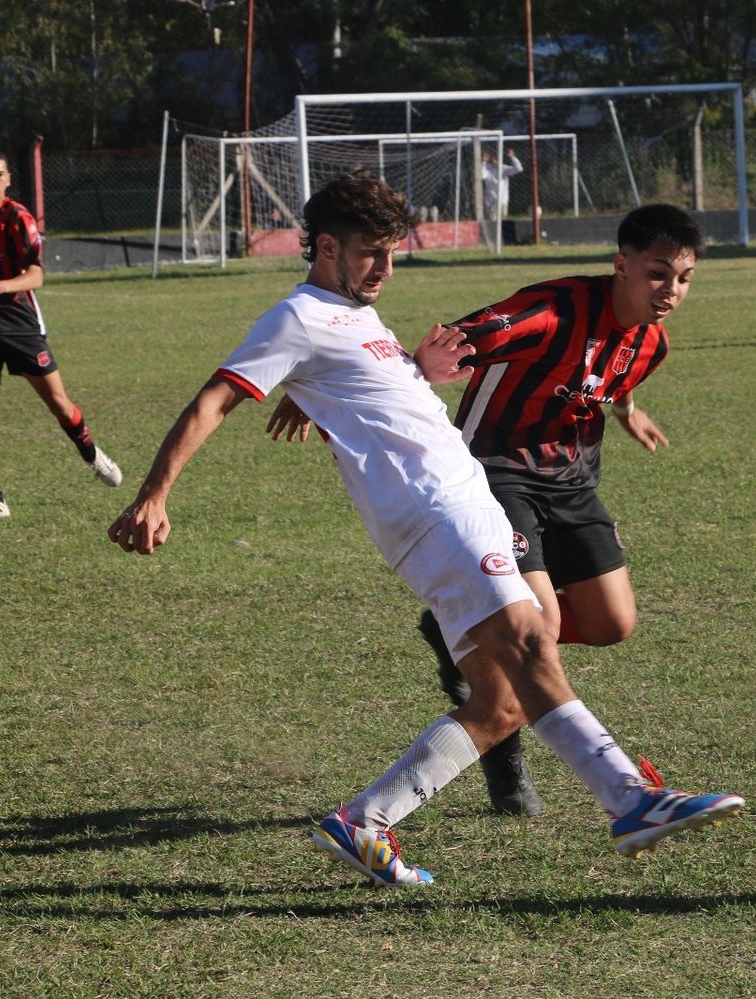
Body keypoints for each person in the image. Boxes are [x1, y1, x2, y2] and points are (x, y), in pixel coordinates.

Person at [108, 169, 743, 886]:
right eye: (370, 252)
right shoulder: (298, 317)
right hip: (435, 513)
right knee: (535, 635)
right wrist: (155, 494)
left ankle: (363, 822)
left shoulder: (357, 315)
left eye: (391, 251)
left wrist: (359, 386)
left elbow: (364, 398)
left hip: (464, 503)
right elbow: (214, 400)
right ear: (324, 248)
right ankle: (631, 799)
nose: (385, 267)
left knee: (502, 700)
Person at [269, 204, 704, 817]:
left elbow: (618, 371)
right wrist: (329, 387)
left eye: (683, 278)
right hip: (495, 475)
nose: (670, 290)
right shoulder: (549, 310)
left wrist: (627, 411)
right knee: (539, 633)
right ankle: (608, 782)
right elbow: (449, 342)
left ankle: (473, 628)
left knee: (612, 623)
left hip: (572, 483)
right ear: (621, 265)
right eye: (658, 274)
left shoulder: (652, 342)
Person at [0, 148, 121, 520]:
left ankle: (92, 455)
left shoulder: (17, 219)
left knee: (58, 402)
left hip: (18, 324)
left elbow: (37, 275)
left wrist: (1, 286)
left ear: (9, 179)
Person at [480, 146, 523, 220]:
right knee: (492, 222)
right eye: (493, 159)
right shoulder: (487, 168)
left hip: (502, 200)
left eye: (496, 159)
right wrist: (483, 162)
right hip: (491, 201)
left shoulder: (504, 168)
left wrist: (513, 157)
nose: (495, 161)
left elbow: (519, 169)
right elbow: (481, 176)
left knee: (503, 221)